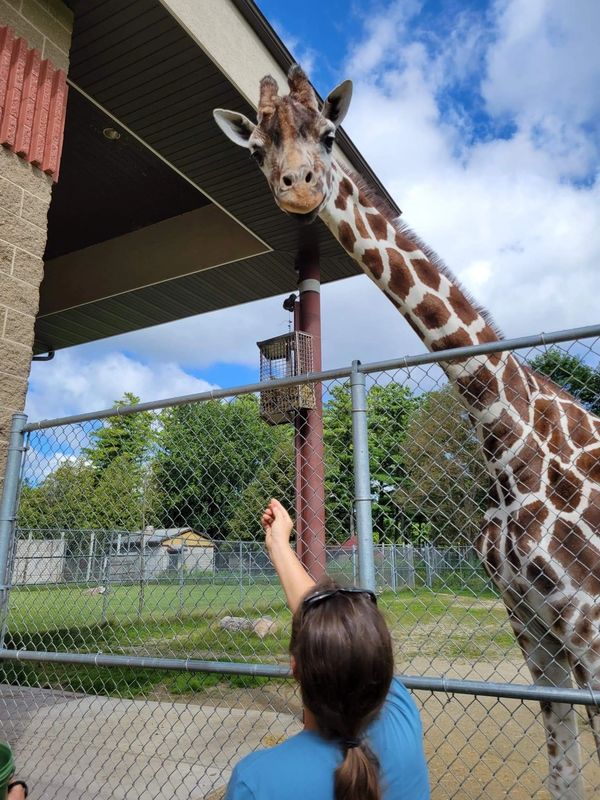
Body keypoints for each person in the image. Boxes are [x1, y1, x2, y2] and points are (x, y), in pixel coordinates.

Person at [225, 499, 430, 800]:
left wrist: (280, 544)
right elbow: (338, 633)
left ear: (295, 667)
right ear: (381, 665)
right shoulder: (403, 716)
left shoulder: (257, 781)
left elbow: (320, 624)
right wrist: (279, 547)